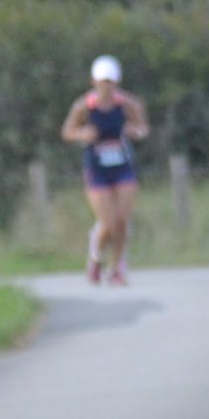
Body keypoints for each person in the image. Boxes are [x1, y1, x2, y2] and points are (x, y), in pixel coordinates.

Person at [62, 57, 147, 285]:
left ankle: (117, 268)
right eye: (102, 82)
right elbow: (67, 131)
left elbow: (142, 128)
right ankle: (96, 258)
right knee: (107, 223)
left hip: (122, 166)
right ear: (94, 82)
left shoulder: (128, 104)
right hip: (97, 168)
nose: (106, 87)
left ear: (116, 82)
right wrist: (82, 134)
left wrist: (134, 131)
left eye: (110, 82)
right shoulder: (83, 106)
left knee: (122, 222)